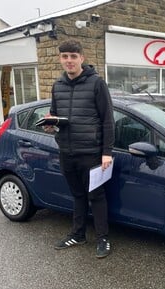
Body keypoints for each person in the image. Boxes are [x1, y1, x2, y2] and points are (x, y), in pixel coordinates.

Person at [47, 39, 114, 258]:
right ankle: (78, 234)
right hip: (67, 151)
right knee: (77, 195)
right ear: (60, 59)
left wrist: (106, 152)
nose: (69, 61)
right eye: (65, 56)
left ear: (81, 59)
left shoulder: (96, 84)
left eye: (73, 56)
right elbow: (56, 116)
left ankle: (103, 238)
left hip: (91, 153)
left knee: (96, 196)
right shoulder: (57, 86)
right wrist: (50, 125)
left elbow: (107, 120)